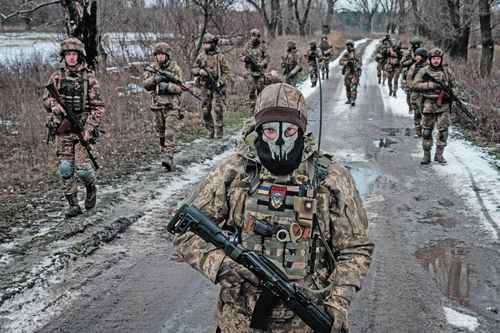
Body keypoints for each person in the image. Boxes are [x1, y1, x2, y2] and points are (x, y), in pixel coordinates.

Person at [174, 83, 374, 333]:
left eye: (289, 130)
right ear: (258, 130)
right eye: (269, 131)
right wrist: (224, 266)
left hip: (306, 320)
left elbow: (355, 248)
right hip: (239, 320)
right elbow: (187, 232)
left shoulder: (330, 178)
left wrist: (338, 301)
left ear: (301, 130)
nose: (279, 140)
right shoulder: (234, 173)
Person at [42, 37, 105, 218]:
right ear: (64, 57)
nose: (71, 58)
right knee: (65, 168)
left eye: (74, 54)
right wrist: (55, 106)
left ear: (80, 56)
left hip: (82, 128)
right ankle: (73, 205)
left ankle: (91, 188)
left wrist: (89, 128)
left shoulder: (88, 78)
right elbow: (46, 99)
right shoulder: (57, 76)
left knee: (84, 169)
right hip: (62, 129)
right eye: (68, 54)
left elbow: (98, 107)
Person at [143, 42, 183, 171]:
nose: (160, 57)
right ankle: (164, 155)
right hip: (157, 106)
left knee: (170, 132)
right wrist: (156, 80)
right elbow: (146, 85)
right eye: (158, 55)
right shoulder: (152, 68)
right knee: (161, 133)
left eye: (162, 55)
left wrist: (168, 86)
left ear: (167, 55)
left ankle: (169, 158)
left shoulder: (175, 68)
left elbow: (180, 88)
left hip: (172, 105)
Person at [412, 48, 455, 165]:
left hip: (444, 105)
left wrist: (450, 93)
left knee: (443, 131)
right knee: (426, 131)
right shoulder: (423, 71)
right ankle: (426, 155)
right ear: (430, 59)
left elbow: (454, 85)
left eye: (438, 59)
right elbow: (414, 85)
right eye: (434, 59)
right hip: (428, 105)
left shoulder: (446, 71)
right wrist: (431, 85)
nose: (436, 61)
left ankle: (439, 155)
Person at [192, 33, 230, 139]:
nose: (205, 46)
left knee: (218, 109)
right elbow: (194, 68)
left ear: (213, 44)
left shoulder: (220, 57)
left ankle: (219, 132)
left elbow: (227, 72)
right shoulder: (201, 56)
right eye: (204, 44)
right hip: (205, 86)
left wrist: (221, 82)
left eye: (207, 44)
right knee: (205, 110)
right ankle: (210, 130)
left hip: (217, 86)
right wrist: (200, 71)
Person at [241, 28, 270, 110]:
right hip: (250, 72)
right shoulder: (247, 46)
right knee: (251, 91)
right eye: (253, 36)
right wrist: (245, 59)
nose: (254, 38)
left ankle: (262, 109)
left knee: (261, 90)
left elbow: (267, 58)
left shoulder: (262, 46)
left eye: (256, 36)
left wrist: (262, 64)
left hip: (260, 72)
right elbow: (241, 56)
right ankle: (252, 110)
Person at [405, 47, 428, 138]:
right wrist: (411, 86)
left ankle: (426, 130)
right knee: (417, 112)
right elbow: (408, 78)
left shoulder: (428, 66)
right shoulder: (413, 66)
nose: (417, 58)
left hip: (425, 93)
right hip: (415, 93)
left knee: (425, 112)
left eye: (419, 56)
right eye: (416, 56)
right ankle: (418, 132)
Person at [401, 36, 423, 106]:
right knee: (409, 92)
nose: (417, 46)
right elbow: (402, 63)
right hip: (410, 74)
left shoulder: (423, 52)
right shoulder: (407, 53)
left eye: (418, 44)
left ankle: (418, 107)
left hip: (420, 74)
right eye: (415, 44)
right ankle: (410, 106)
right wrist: (411, 61)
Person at [339, 40, 362, 106]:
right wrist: (346, 63)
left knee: (354, 86)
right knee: (347, 86)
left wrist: (357, 66)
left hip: (354, 72)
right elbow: (340, 61)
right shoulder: (346, 54)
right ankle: (349, 99)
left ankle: (353, 99)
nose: (348, 47)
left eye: (349, 45)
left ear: (352, 46)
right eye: (347, 45)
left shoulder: (356, 53)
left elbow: (360, 62)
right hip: (347, 72)